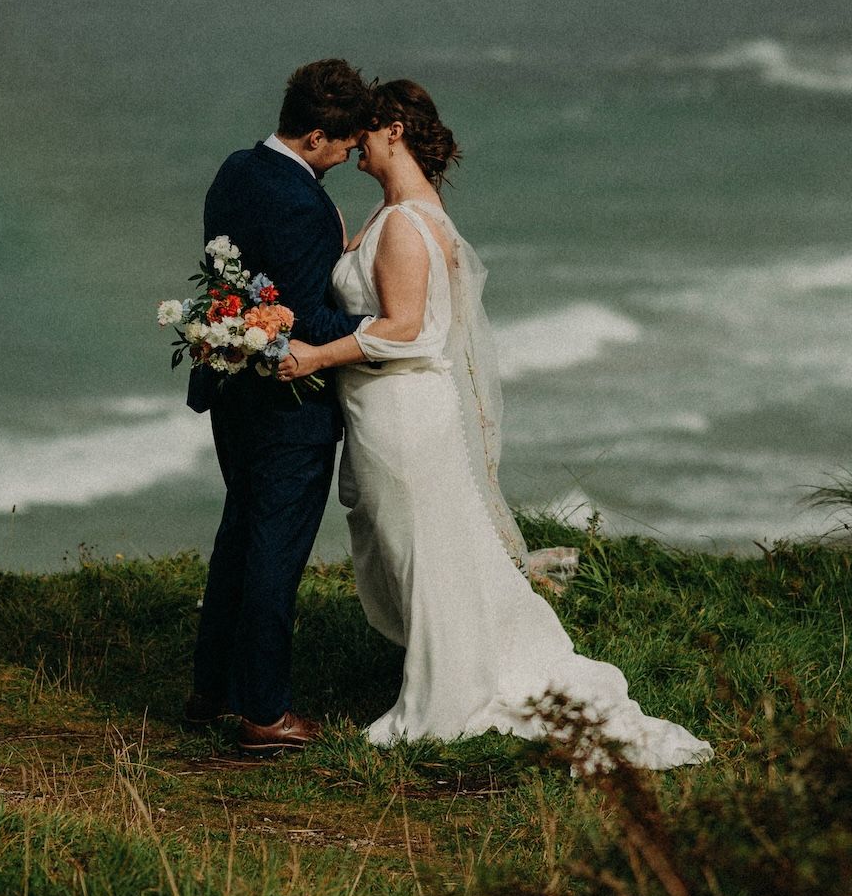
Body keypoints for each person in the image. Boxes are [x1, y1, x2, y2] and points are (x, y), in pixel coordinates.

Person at [278, 78, 712, 769]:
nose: (354, 137)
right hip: (389, 409)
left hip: (399, 410)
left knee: (420, 553)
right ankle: (452, 665)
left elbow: (408, 330)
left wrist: (313, 357)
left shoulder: (400, 225)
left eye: (367, 127)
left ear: (394, 130)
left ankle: (444, 694)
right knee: (423, 552)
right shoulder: (408, 215)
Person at [185, 56, 380, 756]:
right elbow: (303, 320)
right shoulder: (300, 200)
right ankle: (264, 714)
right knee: (276, 551)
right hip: (286, 399)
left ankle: (211, 689)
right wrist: (386, 328)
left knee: (239, 534)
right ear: (318, 136)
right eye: (347, 142)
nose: (353, 152)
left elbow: (242, 283)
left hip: (229, 383)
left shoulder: (236, 169)